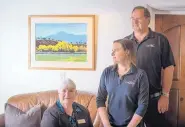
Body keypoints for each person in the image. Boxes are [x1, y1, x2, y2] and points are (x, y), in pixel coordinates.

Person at [124, 6, 175, 127]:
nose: (134, 22)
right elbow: (119, 68)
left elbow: (169, 67)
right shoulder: (125, 42)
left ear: (148, 19)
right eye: (132, 18)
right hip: (130, 99)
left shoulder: (160, 40)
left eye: (138, 19)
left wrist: (165, 95)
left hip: (153, 99)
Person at [96, 39, 149, 127]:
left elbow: (143, 105)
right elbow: (100, 100)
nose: (112, 54)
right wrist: (107, 125)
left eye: (116, 50)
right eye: (112, 51)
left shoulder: (140, 75)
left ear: (127, 51)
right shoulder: (107, 72)